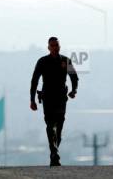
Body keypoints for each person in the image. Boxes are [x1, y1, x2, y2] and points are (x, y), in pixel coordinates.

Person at [30, 37, 79, 166]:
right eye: (52, 45)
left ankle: (54, 151)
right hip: (48, 97)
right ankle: (54, 153)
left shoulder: (65, 60)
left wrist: (74, 91)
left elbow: (74, 77)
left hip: (61, 98)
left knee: (59, 126)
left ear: (59, 46)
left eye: (57, 45)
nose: (55, 48)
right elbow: (34, 80)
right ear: (48, 47)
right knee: (50, 125)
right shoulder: (42, 61)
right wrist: (32, 100)